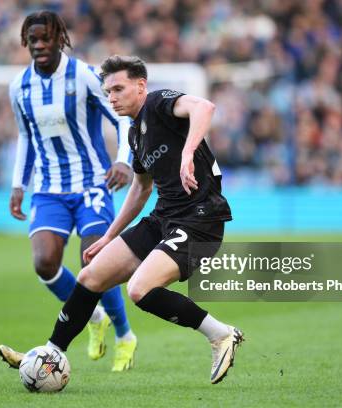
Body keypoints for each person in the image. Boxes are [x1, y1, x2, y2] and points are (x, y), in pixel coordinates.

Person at [23, 54, 244, 384]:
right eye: (107, 91)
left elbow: (204, 107)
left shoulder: (158, 103)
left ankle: (221, 334)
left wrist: (187, 154)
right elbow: (140, 189)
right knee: (91, 276)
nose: (111, 98)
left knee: (140, 289)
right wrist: (110, 236)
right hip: (164, 218)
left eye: (118, 89)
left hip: (200, 220)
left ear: (140, 86)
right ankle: (50, 354)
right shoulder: (135, 135)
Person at [0, 11, 137, 372]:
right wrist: (18, 184)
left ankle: (124, 334)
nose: (40, 45)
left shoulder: (87, 76)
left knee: (96, 261)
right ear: (25, 43)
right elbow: (26, 137)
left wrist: (123, 160)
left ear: (61, 38)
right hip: (48, 188)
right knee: (44, 261)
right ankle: (92, 317)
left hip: (92, 182)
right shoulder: (19, 87)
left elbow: (121, 118)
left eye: (46, 38)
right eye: (33, 40)